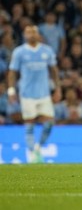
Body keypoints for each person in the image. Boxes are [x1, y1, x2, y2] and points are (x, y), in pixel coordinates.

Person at [7, 25, 61, 163]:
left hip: (44, 93)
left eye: (34, 32)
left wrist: (58, 89)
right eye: (28, 32)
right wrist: (11, 90)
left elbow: (53, 70)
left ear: (38, 35)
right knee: (29, 123)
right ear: (24, 35)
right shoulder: (19, 52)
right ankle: (32, 153)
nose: (31, 34)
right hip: (27, 94)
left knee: (49, 123)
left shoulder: (47, 51)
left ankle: (38, 147)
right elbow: (12, 72)